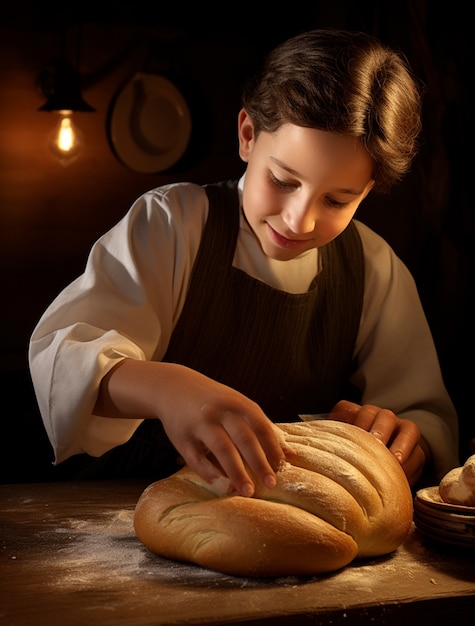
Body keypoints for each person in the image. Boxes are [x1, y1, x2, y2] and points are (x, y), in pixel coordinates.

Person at [29, 28, 459, 496]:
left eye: (337, 200)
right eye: (284, 180)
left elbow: (425, 418)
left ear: (368, 191)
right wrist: (169, 389)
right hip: (123, 502)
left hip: (280, 514)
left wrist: (404, 438)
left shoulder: (374, 267)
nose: (300, 220)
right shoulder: (173, 224)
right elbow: (65, 358)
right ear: (249, 135)